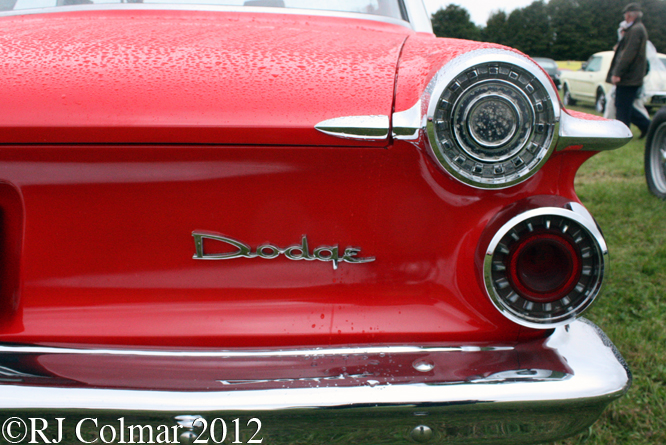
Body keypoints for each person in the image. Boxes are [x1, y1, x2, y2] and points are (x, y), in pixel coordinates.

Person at [606, 3, 651, 138]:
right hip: (631, 77)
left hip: (629, 78)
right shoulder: (636, 29)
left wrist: (618, 73)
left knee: (622, 107)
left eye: (626, 14)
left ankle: (623, 135)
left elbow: (628, 54)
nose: (625, 17)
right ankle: (647, 127)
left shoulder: (636, 30)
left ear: (631, 15)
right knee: (624, 106)